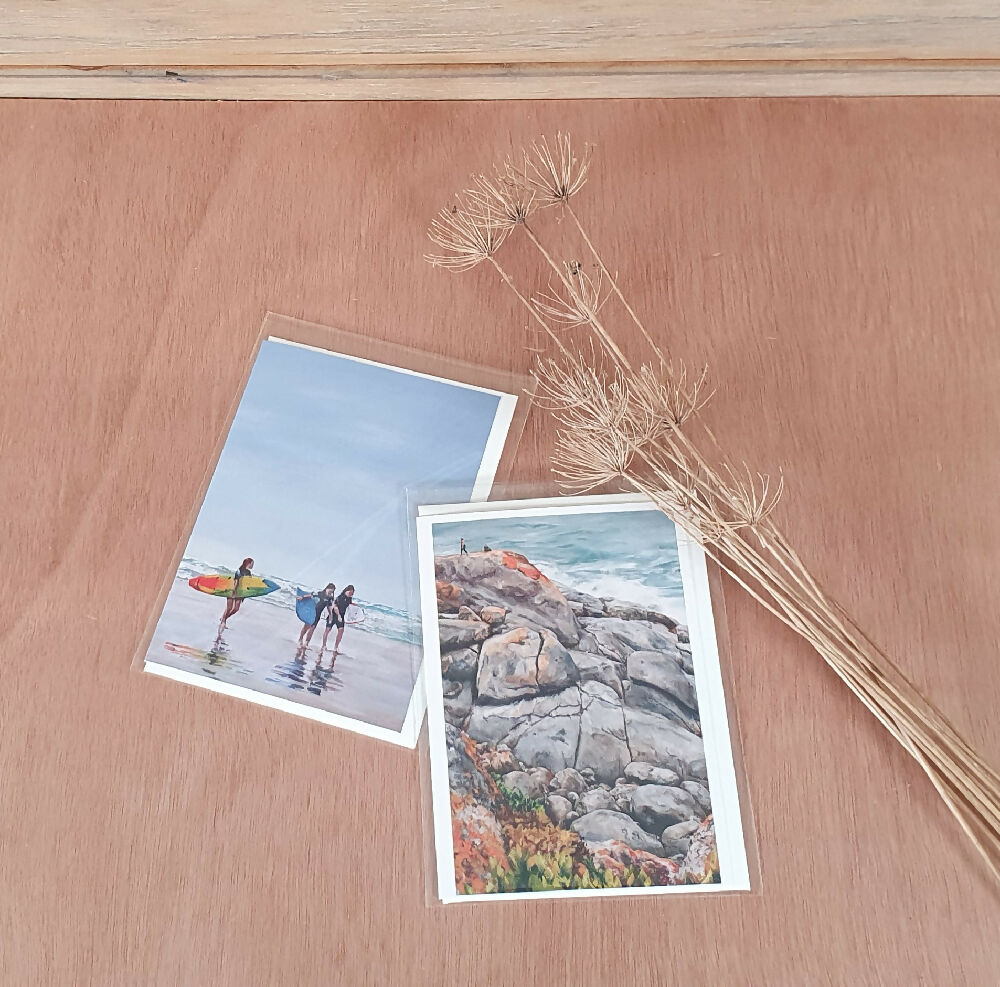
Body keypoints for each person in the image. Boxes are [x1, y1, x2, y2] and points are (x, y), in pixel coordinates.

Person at [297, 583, 337, 649]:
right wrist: (302, 597)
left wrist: (330, 615)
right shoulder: (320, 593)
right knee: (306, 627)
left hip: (318, 615)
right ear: (327, 588)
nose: (331, 592)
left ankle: (306, 643)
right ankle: (300, 640)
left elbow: (329, 607)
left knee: (312, 629)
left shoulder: (330, 598)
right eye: (331, 590)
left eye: (332, 591)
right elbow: (311, 596)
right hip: (311, 613)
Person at [220, 557, 254, 630]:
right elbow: (236, 581)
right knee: (229, 608)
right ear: (249, 563)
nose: (253, 565)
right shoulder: (239, 570)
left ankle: (223, 618)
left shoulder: (249, 573)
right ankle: (223, 621)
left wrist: (246, 593)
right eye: (252, 563)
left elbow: (248, 583)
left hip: (240, 593)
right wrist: (233, 591)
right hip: (232, 589)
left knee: (236, 609)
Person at [322, 584, 356, 654]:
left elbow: (349, 604)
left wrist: (356, 606)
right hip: (333, 615)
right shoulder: (340, 597)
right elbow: (335, 607)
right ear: (346, 590)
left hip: (341, 616)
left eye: (352, 594)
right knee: (327, 630)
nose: (351, 594)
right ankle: (324, 645)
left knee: (341, 631)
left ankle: (336, 647)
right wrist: (339, 616)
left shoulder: (349, 598)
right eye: (350, 593)